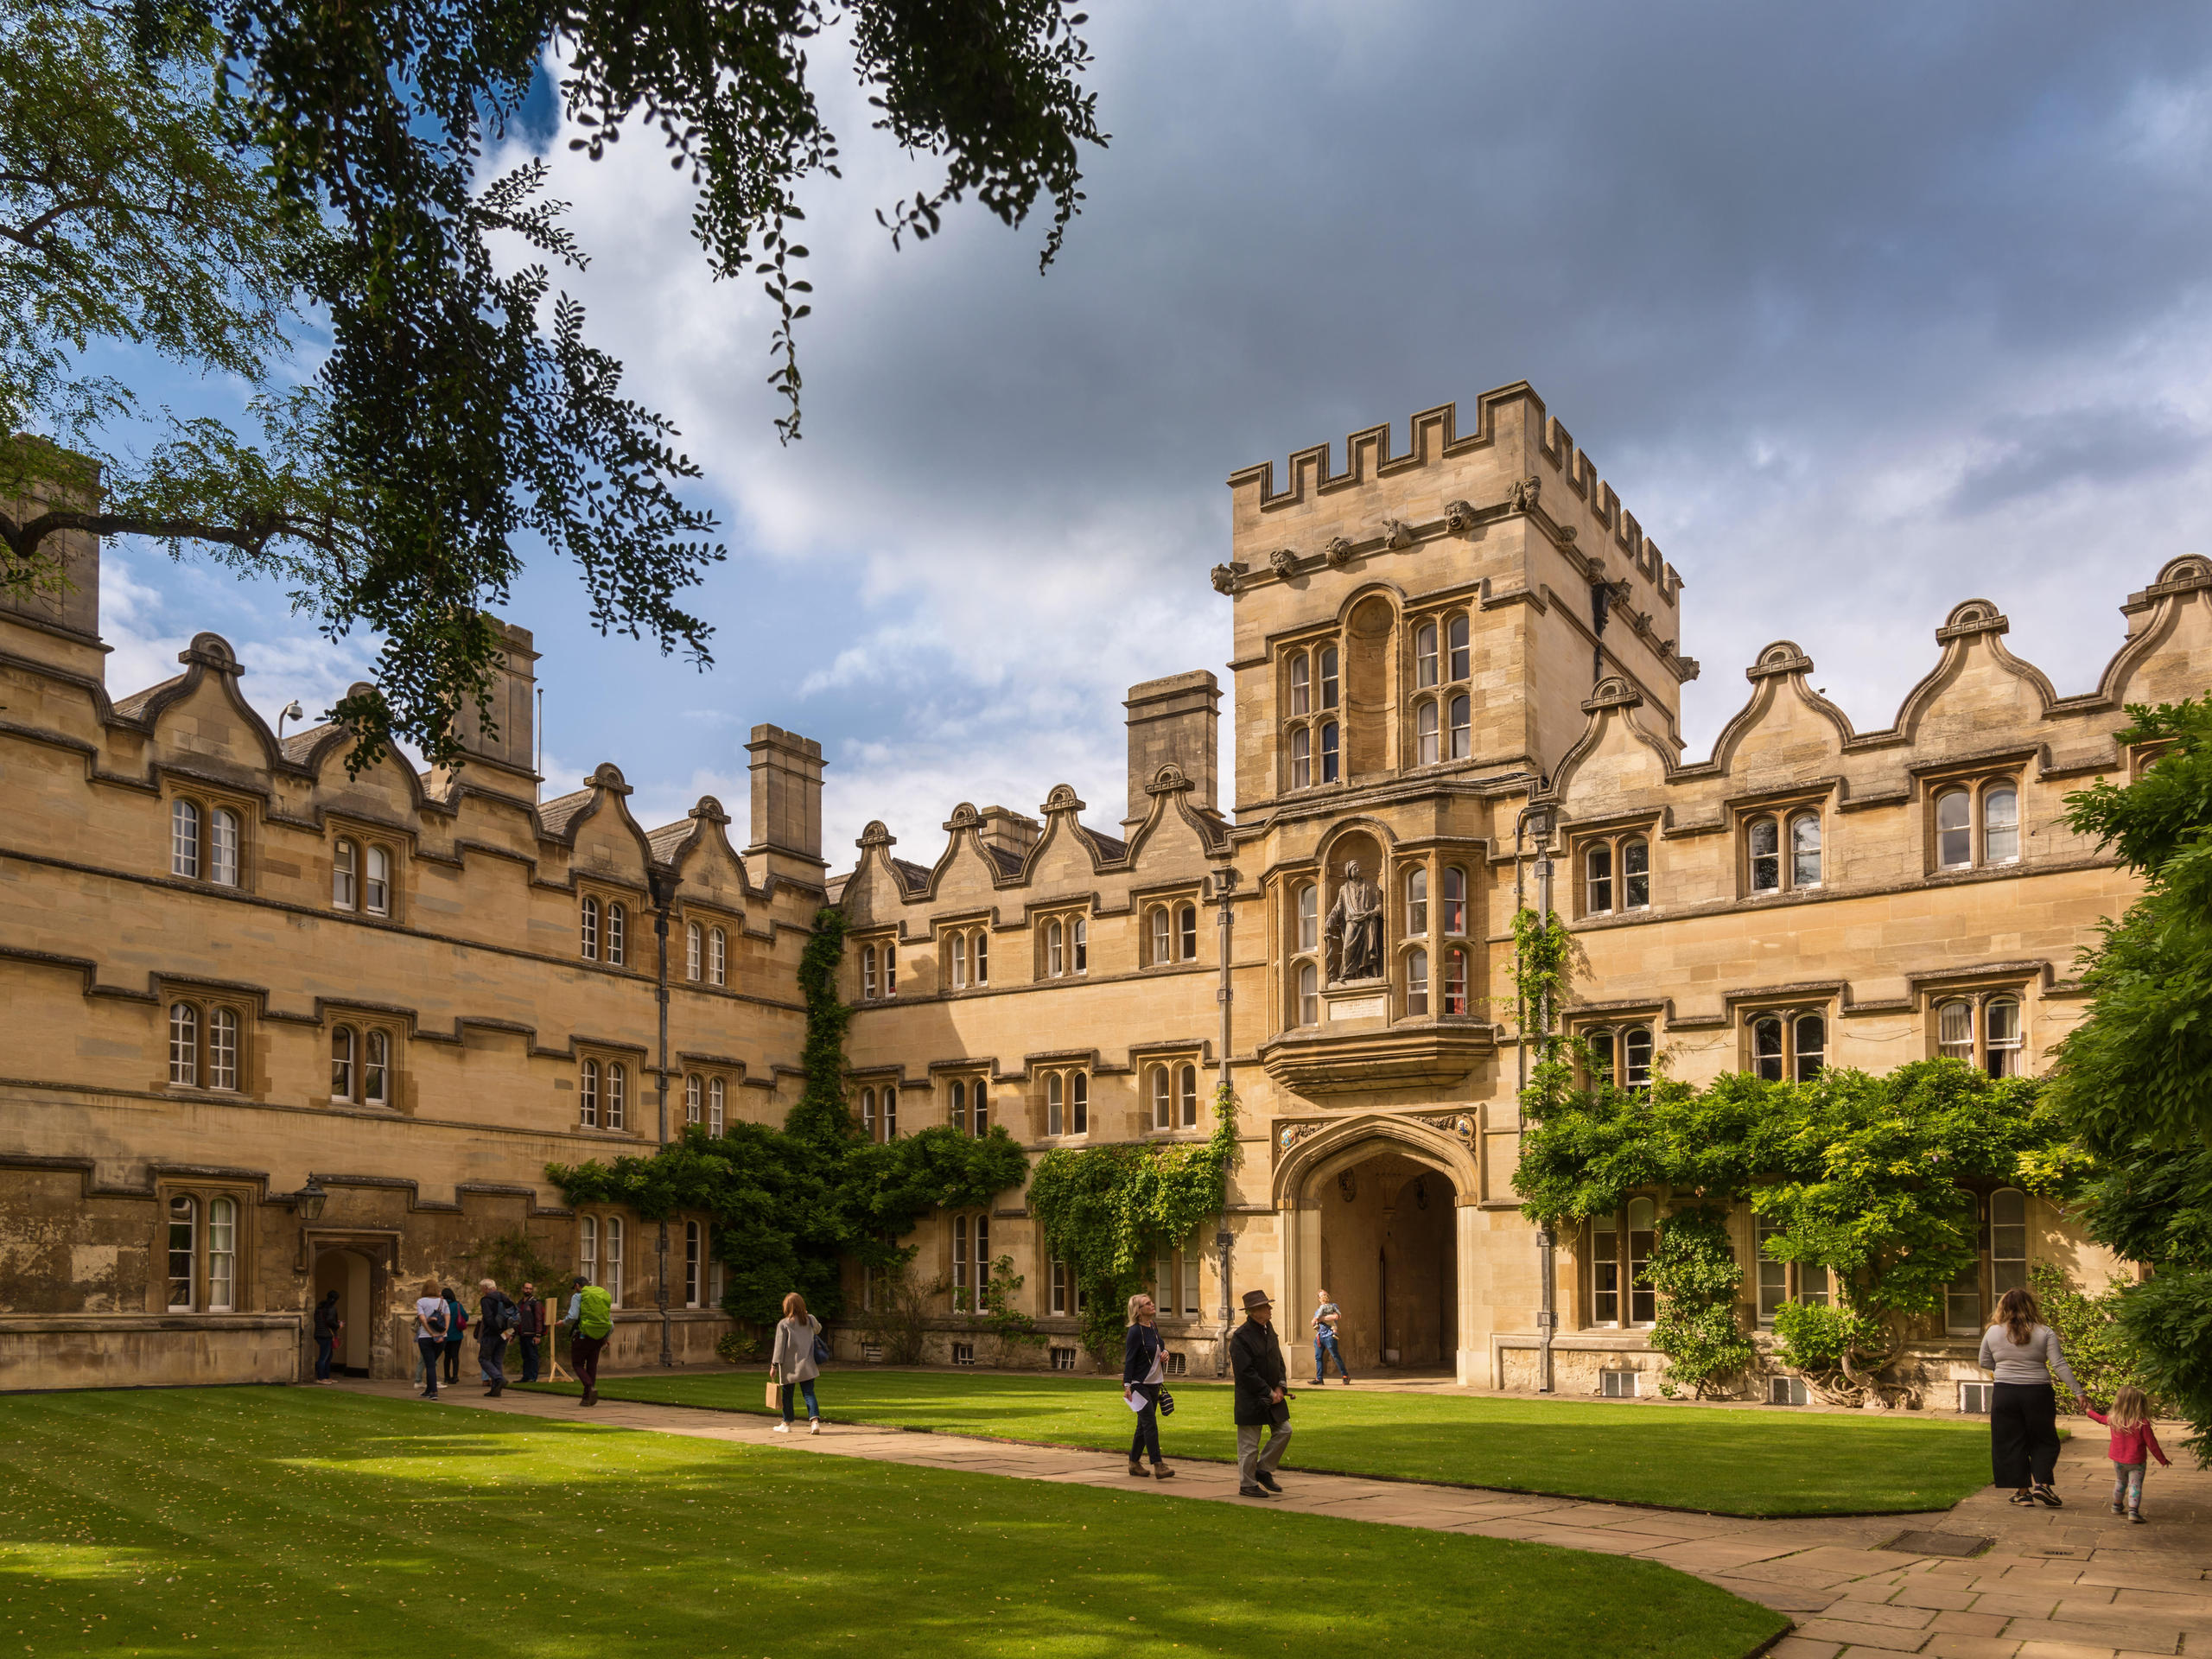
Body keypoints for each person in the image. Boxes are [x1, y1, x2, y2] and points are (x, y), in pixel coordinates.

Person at [1980, 1286, 2086, 1507]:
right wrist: (2078, 1392)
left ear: (2002, 1307)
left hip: (2005, 1393)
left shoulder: (1992, 1332)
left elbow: (1984, 1361)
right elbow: (2058, 1364)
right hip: (2038, 1392)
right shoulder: (2044, 1332)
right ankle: (2043, 1485)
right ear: (2030, 1306)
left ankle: (2023, 1493)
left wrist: (2002, 1368)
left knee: (2009, 1441)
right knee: (2044, 1439)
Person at [1229, 1287, 1291, 1497]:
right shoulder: (1240, 1337)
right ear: (1254, 1311)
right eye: (1266, 1306)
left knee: (1285, 1431)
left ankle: (1263, 1470)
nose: (1270, 1309)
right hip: (1251, 1398)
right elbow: (1245, 1372)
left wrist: (1280, 1387)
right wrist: (1267, 1392)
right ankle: (1247, 1485)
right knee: (1249, 1445)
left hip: (1274, 1394)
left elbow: (1278, 1360)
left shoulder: (1269, 1329)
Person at [2084, 1386, 2170, 1523]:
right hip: (2137, 1462)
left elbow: (2099, 1418)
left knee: (2120, 1482)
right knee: (2135, 1485)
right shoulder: (2142, 1423)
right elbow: (2152, 1443)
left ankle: (2116, 1506)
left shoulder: (2114, 1419)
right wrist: (2162, 1459)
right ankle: (2133, 1512)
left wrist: (2088, 1410)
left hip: (2118, 1460)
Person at [1122, 1292, 1174, 1480]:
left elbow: (1160, 1345)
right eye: (1147, 1304)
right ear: (1138, 1311)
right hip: (1139, 1385)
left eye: (1151, 1302)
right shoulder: (1135, 1331)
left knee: (1143, 1426)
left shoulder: (1152, 1326)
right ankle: (1158, 1465)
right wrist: (1127, 1385)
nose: (1152, 1305)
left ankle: (1133, 1463)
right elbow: (1129, 1360)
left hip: (1154, 1384)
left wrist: (1166, 1352)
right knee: (1150, 1424)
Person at [768, 1290, 823, 1435]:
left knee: (788, 1395)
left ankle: (786, 1423)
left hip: (789, 1366)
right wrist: (808, 1316)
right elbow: (818, 1330)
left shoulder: (784, 1324)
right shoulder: (810, 1319)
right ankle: (815, 1422)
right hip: (807, 1364)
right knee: (809, 1393)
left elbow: (779, 1348)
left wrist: (774, 1365)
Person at [564, 1274, 613, 1407]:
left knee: (577, 1364)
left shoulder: (578, 1296)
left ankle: (589, 1386)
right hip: (599, 1337)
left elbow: (573, 1316)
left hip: (583, 1335)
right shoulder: (599, 1297)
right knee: (592, 1366)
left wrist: (563, 1322)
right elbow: (610, 1322)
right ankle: (587, 1398)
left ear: (577, 1286)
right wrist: (606, 1337)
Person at [476, 1278, 515, 1397]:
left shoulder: (486, 1300)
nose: (482, 1291)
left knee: (483, 1359)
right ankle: (496, 1390)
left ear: (486, 1288)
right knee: (497, 1360)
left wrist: (496, 1330)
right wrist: (510, 1332)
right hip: (505, 1333)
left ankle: (499, 1379)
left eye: (482, 1289)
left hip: (491, 1334)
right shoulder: (505, 1298)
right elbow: (515, 1316)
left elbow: (488, 1318)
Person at [412, 1278, 448, 1400]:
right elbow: (448, 1319)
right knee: (431, 1363)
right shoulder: (443, 1302)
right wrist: (443, 1332)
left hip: (425, 1337)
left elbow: (422, 1319)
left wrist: (430, 1332)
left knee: (430, 1364)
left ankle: (433, 1392)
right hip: (442, 1338)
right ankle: (428, 1390)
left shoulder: (421, 1301)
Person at [1312, 1287, 1351, 1385]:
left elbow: (1336, 1317)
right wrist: (1317, 1320)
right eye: (1322, 1295)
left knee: (1335, 1356)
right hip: (1320, 1336)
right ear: (1319, 1299)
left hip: (1330, 1335)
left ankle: (1345, 1376)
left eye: (1326, 1294)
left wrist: (1321, 1318)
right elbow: (1313, 1322)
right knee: (1318, 1358)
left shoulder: (1333, 1305)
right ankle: (1319, 1379)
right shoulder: (1318, 1310)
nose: (1324, 1296)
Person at [513, 1282, 544, 1384]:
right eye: (526, 1288)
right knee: (525, 1356)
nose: (528, 1290)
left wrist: (538, 1335)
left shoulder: (535, 1302)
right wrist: (513, 1334)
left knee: (533, 1356)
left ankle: (533, 1377)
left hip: (532, 1334)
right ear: (523, 1289)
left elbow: (539, 1319)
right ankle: (525, 1376)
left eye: (530, 1289)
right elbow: (516, 1319)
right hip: (522, 1333)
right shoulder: (520, 1303)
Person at [311, 1289, 342, 1385]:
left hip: (319, 1334)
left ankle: (326, 1377)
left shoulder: (319, 1308)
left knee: (328, 1356)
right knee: (324, 1357)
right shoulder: (331, 1308)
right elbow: (330, 1321)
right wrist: (338, 1325)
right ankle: (321, 1378)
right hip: (327, 1335)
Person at [440, 1286, 467, 1384]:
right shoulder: (457, 1305)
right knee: (455, 1356)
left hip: (445, 1334)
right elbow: (466, 1317)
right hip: (456, 1335)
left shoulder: (441, 1305)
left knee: (447, 1356)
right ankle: (455, 1376)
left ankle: (446, 1376)